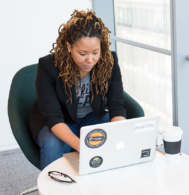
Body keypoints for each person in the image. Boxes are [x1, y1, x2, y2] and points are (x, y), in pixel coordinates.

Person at [29, 9, 126, 170]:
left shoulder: (109, 61)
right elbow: (53, 116)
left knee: (118, 133)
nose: (90, 60)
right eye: (82, 53)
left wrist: (120, 133)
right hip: (59, 121)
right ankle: (56, 192)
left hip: (92, 117)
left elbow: (117, 105)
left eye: (96, 52)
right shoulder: (48, 66)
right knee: (53, 144)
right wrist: (81, 145)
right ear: (69, 47)